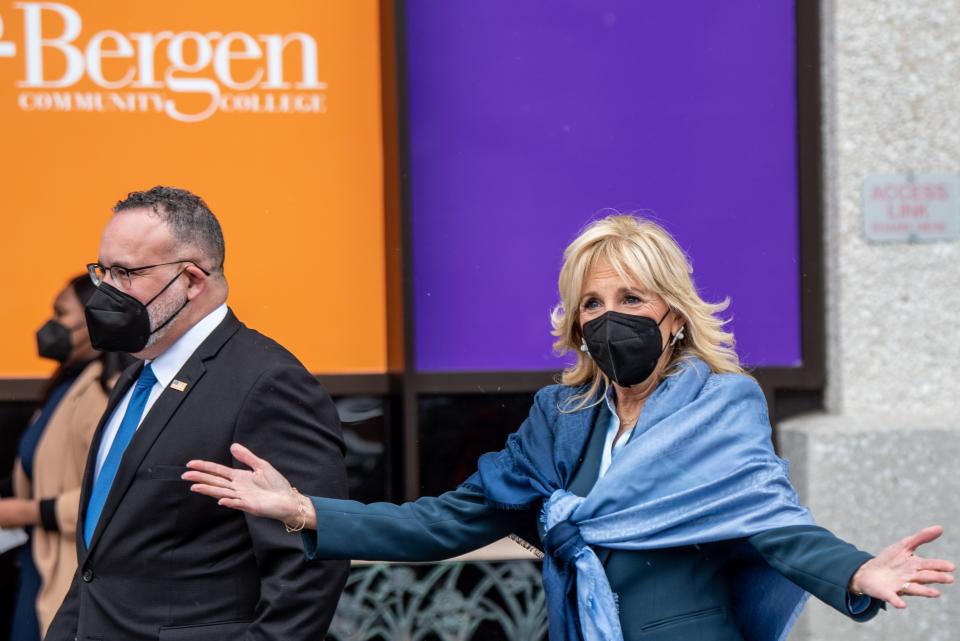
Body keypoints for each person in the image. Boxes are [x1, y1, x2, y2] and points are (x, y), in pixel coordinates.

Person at [184, 215, 955, 641]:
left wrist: (857, 572)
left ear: (672, 315)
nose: (609, 316)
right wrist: (307, 510)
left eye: (630, 296)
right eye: (591, 303)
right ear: (574, 324)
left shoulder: (722, 402)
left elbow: (772, 523)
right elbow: (454, 516)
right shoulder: (560, 416)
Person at [45, 186, 349, 641]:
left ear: (191, 281)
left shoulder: (267, 383)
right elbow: (101, 560)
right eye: (102, 271)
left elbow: (309, 569)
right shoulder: (136, 378)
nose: (107, 290)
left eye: (126, 273)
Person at [0, 275, 130, 640]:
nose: (50, 324)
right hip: (36, 564)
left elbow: (112, 493)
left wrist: (25, 512)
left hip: (70, 572)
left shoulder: (107, 390)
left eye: (60, 312)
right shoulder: (67, 385)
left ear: (92, 318)